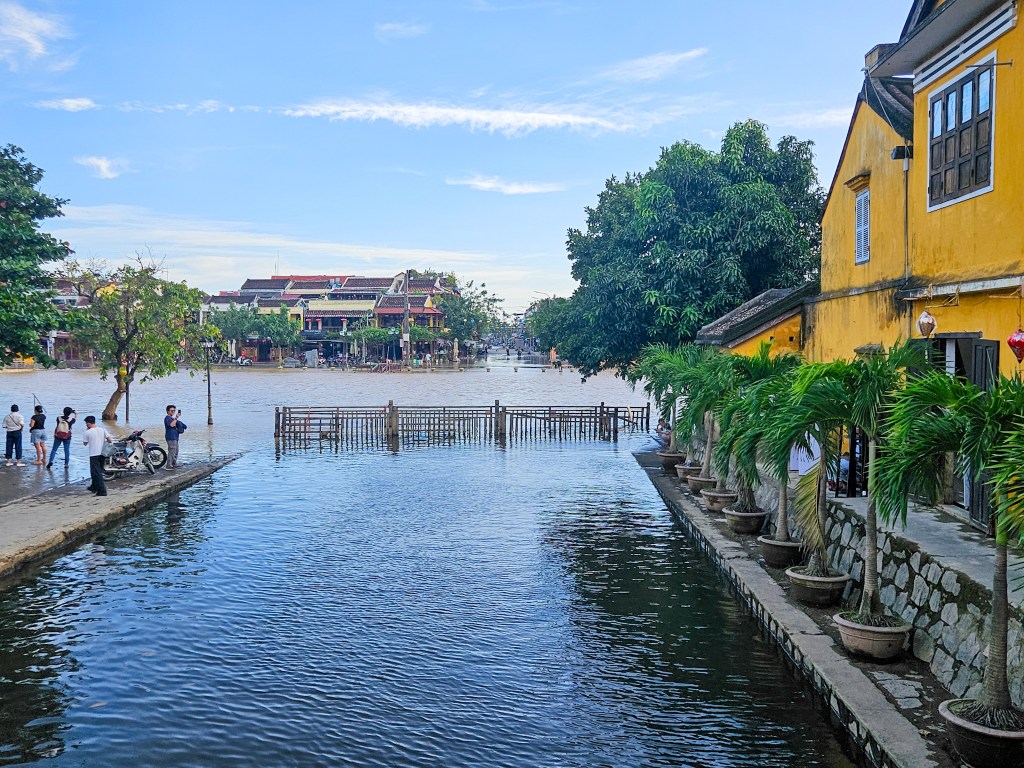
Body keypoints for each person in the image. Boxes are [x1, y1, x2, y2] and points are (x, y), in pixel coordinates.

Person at [82, 415, 111, 496]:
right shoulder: (103, 429)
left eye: (86, 423)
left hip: (94, 454)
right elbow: (110, 440)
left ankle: (102, 491)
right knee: (96, 471)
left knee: (96, 473)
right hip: (102, 453)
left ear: (88, 423)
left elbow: (85, 443)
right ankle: (93, 487)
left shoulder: (87, 432)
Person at [164, 405, 186, 470]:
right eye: (171, 411)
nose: (173, 412)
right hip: (170, 437)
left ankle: (174, 464)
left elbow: (183, 426)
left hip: (175, 437)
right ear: (168, 411)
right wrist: (176, 418)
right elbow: (171, 425)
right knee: (172, 451)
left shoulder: (172, 419)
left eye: (174, 411)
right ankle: (169, 465)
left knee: (176, 451)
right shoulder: (167, 418)